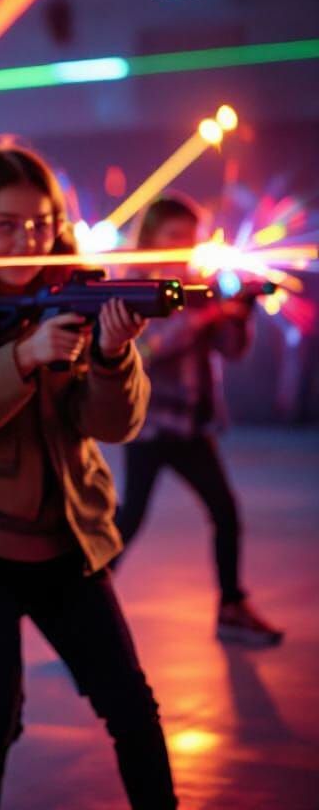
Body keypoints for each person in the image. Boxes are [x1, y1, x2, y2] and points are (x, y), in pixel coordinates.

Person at [0, 147, 177, 810]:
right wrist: (25, 356)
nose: (27, 240)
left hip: (66, 539)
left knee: (131, 705)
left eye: (40, 225)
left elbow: (113, 425)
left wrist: (111, 356)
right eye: (5, 225)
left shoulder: (75, 293)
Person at [116, 195, 283, 646]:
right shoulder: (135, 289)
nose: (183, 247)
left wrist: (240, 315)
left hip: (190, 426)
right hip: (149, 426)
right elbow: (145, 351)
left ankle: (232, 606)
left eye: (190, 238)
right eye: (173, 236)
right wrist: (206, 315)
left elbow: (232, 351)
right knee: (129, 519)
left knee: (224, 511)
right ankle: (86, 604)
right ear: (150, 239)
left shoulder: (198, 289)